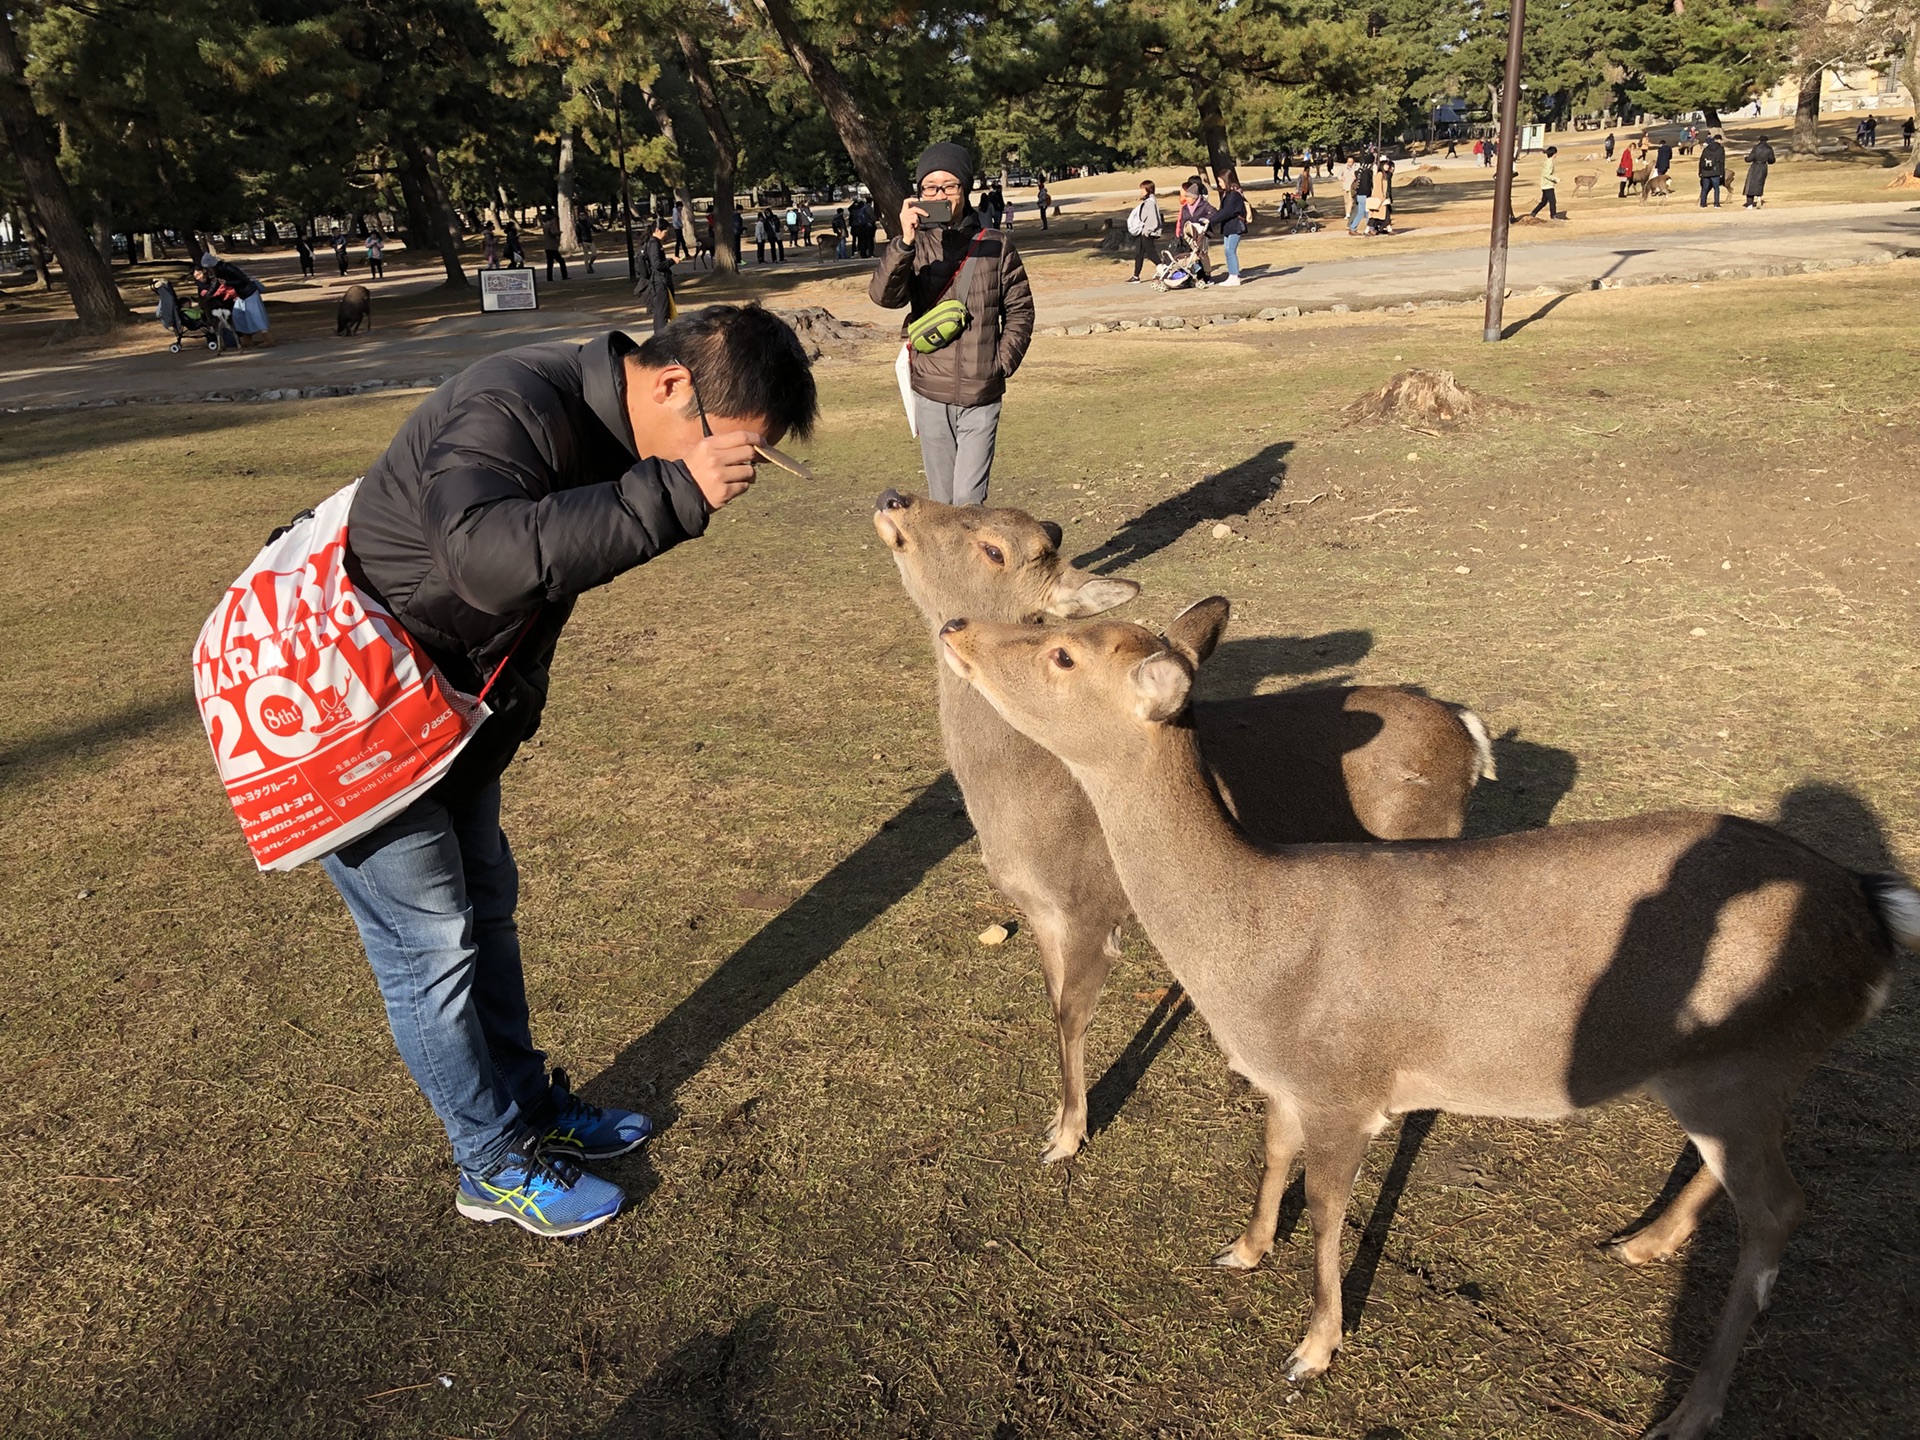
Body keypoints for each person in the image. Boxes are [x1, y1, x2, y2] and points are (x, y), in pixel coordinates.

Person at [326, 305, 818, 1238]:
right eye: (736, 450)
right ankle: (489, 1161)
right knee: (429, 946)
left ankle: (530, 1110)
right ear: (673, 385)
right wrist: (676, 494)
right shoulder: (509, 402)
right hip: (349, 711)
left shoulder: (604, 425)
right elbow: (487, 562)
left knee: (486, 911)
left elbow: (541, 573)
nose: (736, 477)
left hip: (445, 703)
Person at [869, 141, 1035, 506]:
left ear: (966, 188)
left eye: (949, 185)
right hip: (930, 391)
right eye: (930, 187)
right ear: (919, 194)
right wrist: (904, 243)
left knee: (969, 502)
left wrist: (1000, 365)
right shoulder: (915, 247)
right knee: (942, 504)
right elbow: (884, 297)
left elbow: (1020, 310)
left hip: (981, 393)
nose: (940, 194)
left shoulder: (996, 245)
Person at [639, 216, 674, 331]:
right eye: (665, 232)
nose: (666, 235)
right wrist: (672, 261)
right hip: (658, 282)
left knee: (662, 311)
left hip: (659, 281)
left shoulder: (655, 242)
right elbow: (657, 265)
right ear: (658, 230)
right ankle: (660, 338)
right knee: (661, 313)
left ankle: (660, 336)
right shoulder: (653, 244)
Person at [1179, 177, 1216, 281]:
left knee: (1202, 254)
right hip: (1190, 235)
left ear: (1194, 198)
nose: (1186, 199)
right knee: (1193, 255)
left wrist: (1206, 219)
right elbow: (1183, 221)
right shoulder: (1185, 208)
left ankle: (1207, 274)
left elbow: (1214, 212)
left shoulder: (1204, 205)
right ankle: (1197, 275)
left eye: (1189, 197)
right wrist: (1181, 234)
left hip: (1202, 234)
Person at [1126, 179, 1162, 282]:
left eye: (1142, 189)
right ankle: (1136, 276)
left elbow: (1153, 219)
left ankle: (1164, 270)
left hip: (1147, 232)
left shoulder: (1150, 202)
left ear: (1148, 189)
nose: (1141, 191)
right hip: (1143, 231)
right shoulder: (1147, 201)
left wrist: (1147, 231)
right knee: (1139, 253)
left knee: (1150, 253)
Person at [1217, 171, 1249, 285]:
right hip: (1228, 226)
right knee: (1227, 250)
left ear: (1226, 180)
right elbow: (1222, 211)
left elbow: (1228, 212)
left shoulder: (1234, 195)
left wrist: (1211, 221)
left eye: (1221, 181)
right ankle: (1232, 275)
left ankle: (1235, 276)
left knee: (1230, 250)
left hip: (1235, 226)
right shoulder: (1227, 194)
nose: (1219, 184)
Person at [1529, 145, 1561, 220]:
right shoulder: (1549, 163)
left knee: (1543, 202)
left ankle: (1533, 213)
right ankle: (1553, 216)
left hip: (1545, 185)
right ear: (1554, 154)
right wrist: (1556, 179)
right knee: (1552, 201)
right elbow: (1546, 174)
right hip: (1548, 185)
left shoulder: (1547, 161)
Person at [1743, 136, 1775, 208]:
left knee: (1750, 184)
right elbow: (1772, 160)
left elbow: (1750, 158)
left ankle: (1750, 203)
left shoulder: (1756, 148)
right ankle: (1759, 197)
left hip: (1755, 166)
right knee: (1760, 183)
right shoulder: (1769, 149)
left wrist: (1745, 158)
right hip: (1763, 167)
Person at [1348, 152, 1374, 234]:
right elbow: (1366, 184)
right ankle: (1370, 228)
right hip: (1365, 194)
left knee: (1361, 213)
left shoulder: (1360, 170)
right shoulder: (1367, 172)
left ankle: (1353, 228)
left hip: (1359, 194)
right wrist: (1369, 194)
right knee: (1367, 213)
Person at [1698, 133, 1726, 208]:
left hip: (1705, 171)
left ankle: (1702, 204)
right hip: (1715, 171)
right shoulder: (1720, 149)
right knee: (1716, 188)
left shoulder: (1706, 148)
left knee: (1705, 188)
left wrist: (1700, 171)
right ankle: (1716, 204)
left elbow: (1701, 160)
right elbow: (1722, 162)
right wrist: (1722, 173)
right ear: (1719, 140)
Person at [540, 211, 568, 280]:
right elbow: (552, 233)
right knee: (561, 261)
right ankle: (564, 276)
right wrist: (558, 233)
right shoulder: (551, 225)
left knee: (550, 263)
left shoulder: (545, 225)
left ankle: (549, 277)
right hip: (552, 246)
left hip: (547, 246)